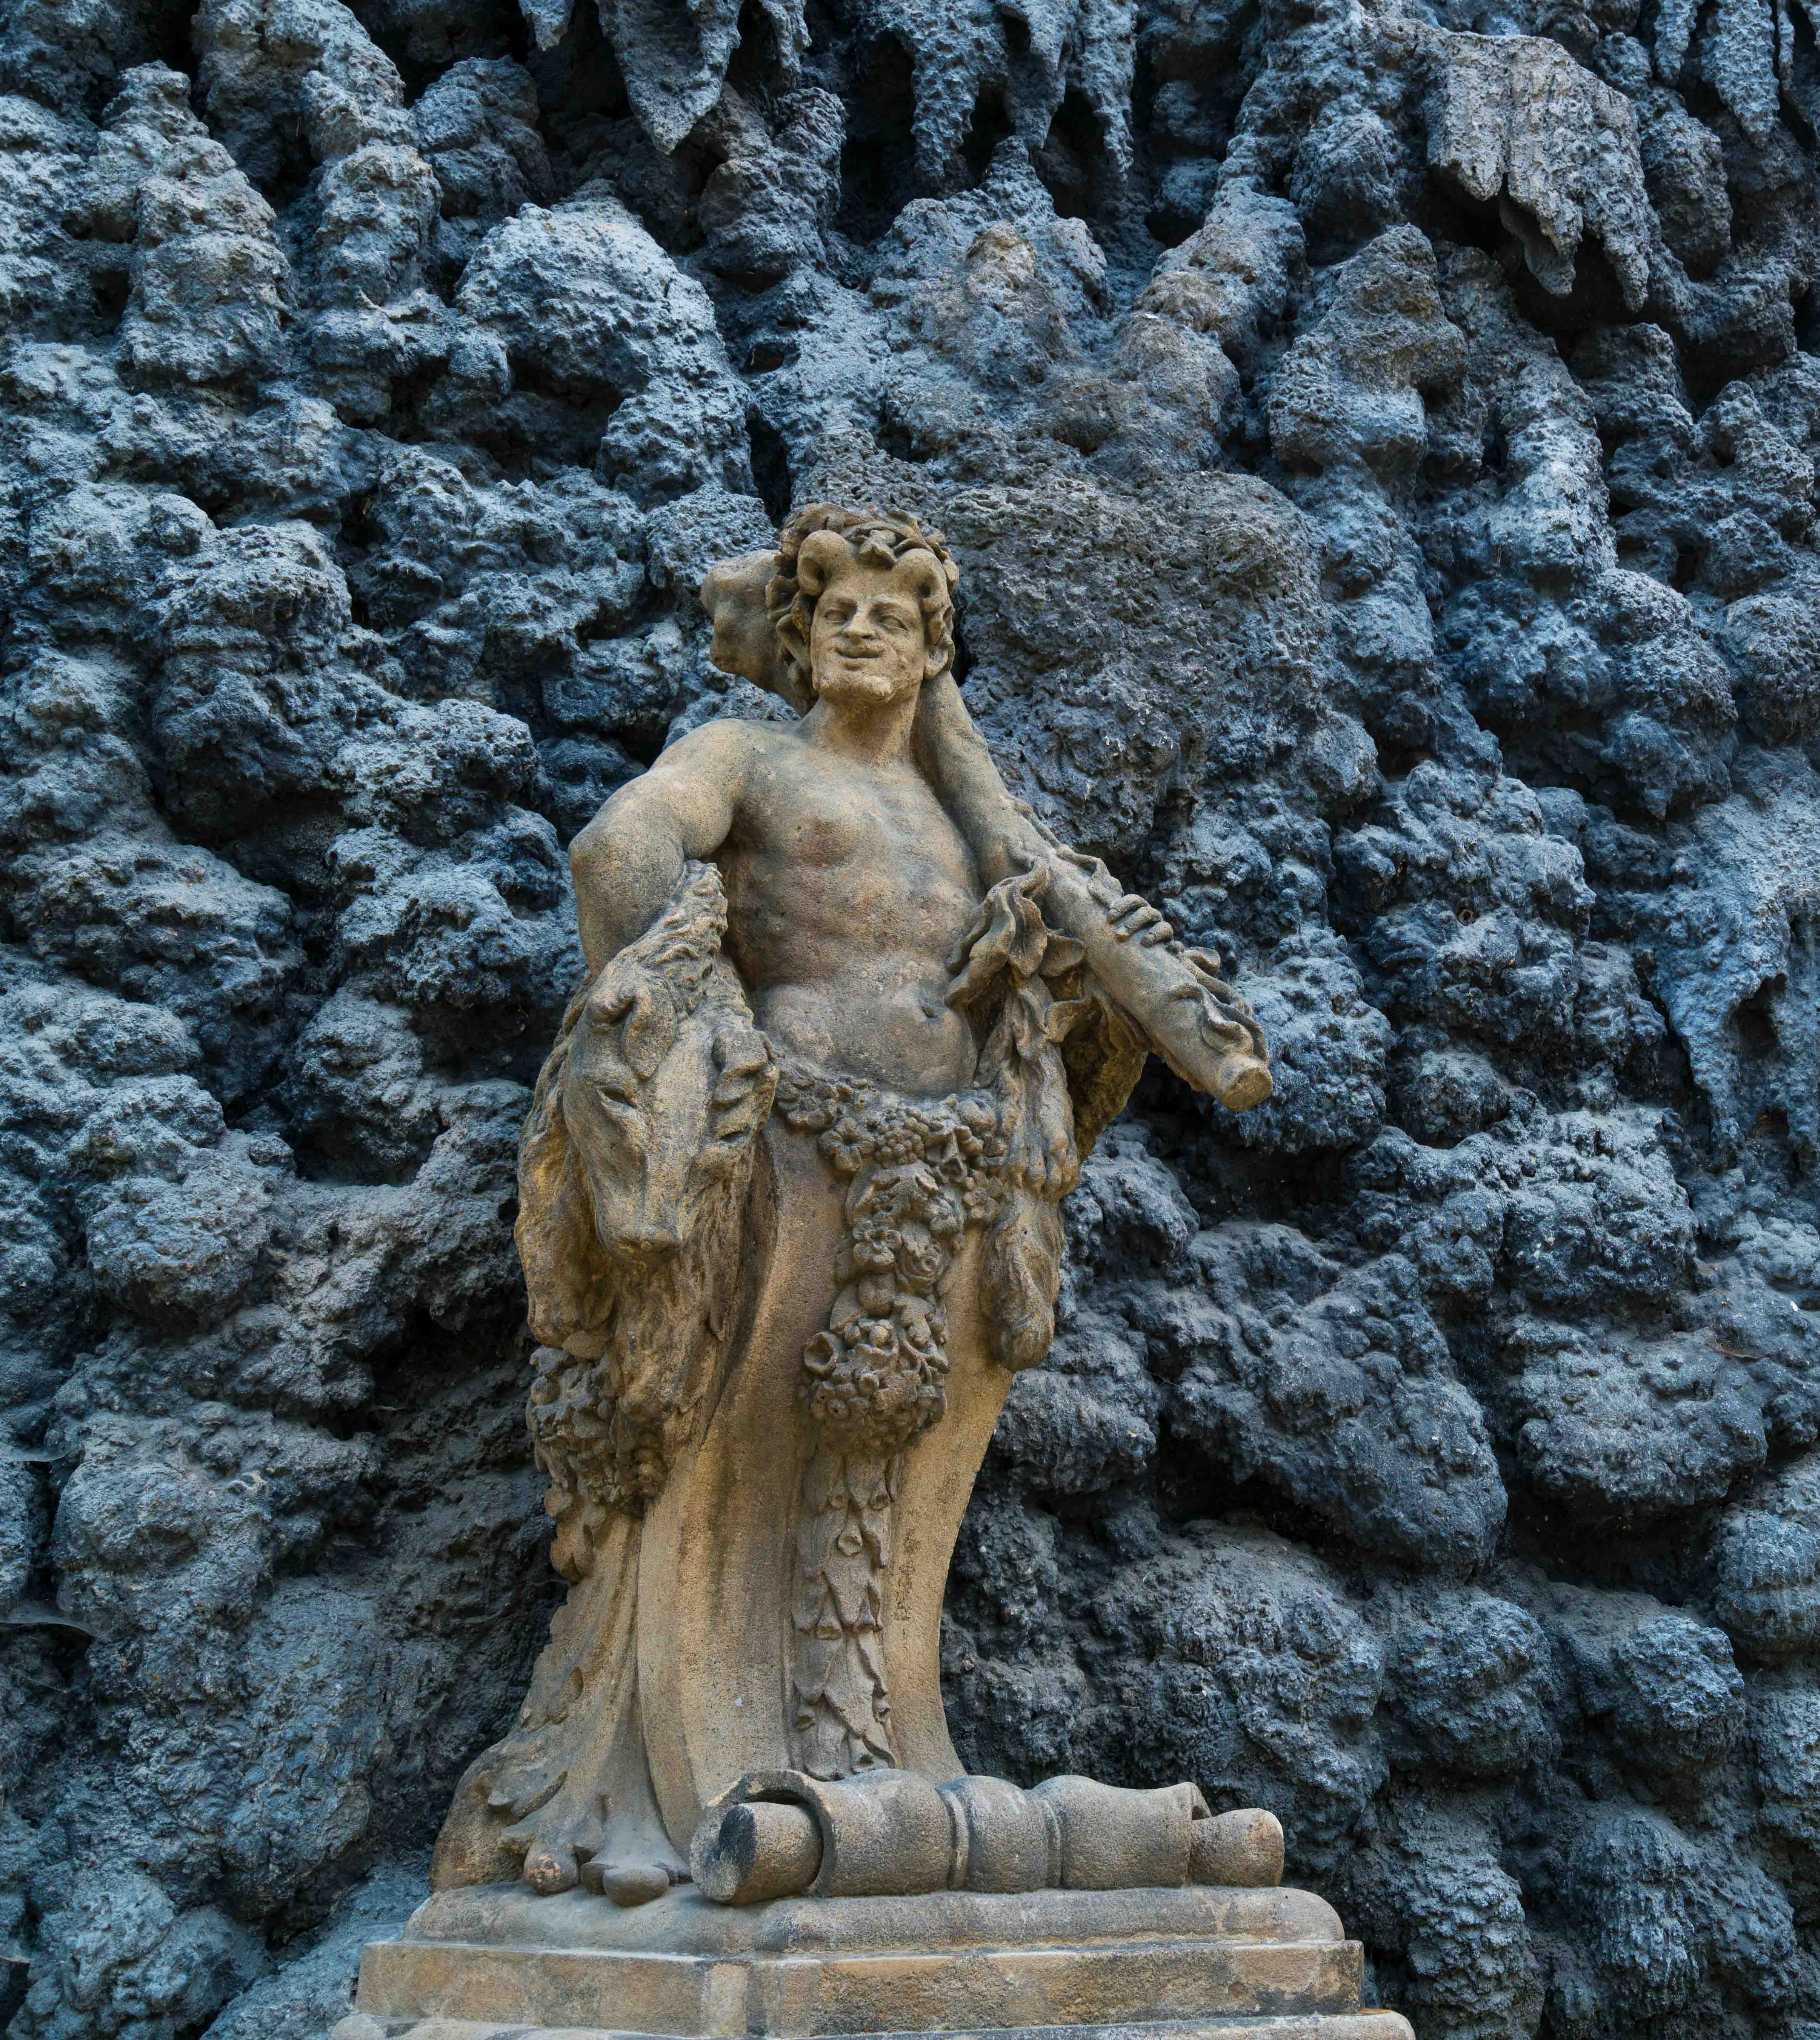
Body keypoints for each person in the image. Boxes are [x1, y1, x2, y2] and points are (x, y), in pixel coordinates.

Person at [431, 506, 1269, 1903]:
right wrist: (686, 1027)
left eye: (898, 613)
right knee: (724, 1468)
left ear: (936, 651)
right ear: (798, 639)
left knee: (893, 1492)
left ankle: (869, 1762)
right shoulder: (746, 756)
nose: (865, 629)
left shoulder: (974, 822)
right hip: (775, 1159)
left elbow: (1060, 992)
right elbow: (618, 853)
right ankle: (669, 1784)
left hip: (946, 1181)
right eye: (838, 611)